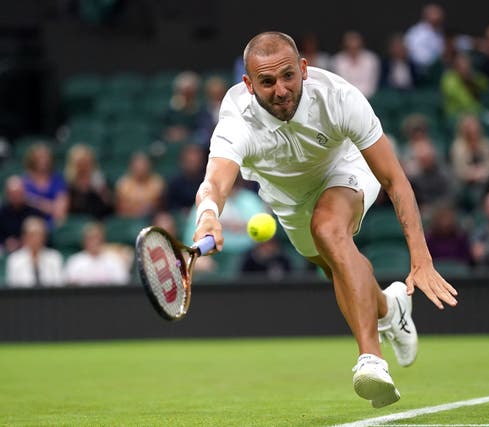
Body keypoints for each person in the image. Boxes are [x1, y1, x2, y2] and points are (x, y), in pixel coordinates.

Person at [192, 32, 457, 408]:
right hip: (287, 200)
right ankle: (390, 307)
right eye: (267, 82)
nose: (281, 90)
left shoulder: (339, 98)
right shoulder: (237, 118)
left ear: (303, 69)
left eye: (288, 76)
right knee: (338, 268)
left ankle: (371, 360)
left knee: (328, 230)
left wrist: (421, 256)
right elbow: (215, 183)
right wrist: (208, 216)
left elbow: (395, 179)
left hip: (344, 169)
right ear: (249, 84)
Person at [64, 222, 130, 286]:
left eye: (96, 238)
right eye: (90, 238)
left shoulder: (113, 260)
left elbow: (122, 284)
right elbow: (69, 285)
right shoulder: (75, 261)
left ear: (103, 239)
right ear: (83, 241)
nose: (94, 242)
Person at [6, 216, 64, 287]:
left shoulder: (54, 257)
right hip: (23, 297)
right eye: (32, 235)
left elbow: (59, 284)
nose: (36, 239)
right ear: (25, 237)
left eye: (40, 235)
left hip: (50, 297)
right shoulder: (14, 259)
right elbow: (12, 287)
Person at [21, 142, 69, 227]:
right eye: (39, 158)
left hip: (53, 225)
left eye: (46, 157)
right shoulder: (24, 182)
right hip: (29, 226)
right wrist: (50, 206)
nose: (43, 161)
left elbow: (60, 211)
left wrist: (34, 202)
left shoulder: (58, 180)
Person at [64, 144, 113, 219]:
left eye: (86, 162)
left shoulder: (100, 180)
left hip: (98, 219)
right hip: (75, 220)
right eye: (80, 162)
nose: (83, 165)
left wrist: (101, 189)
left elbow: (109, 204)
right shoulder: (68, 183)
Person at [0, 176, 44, 253]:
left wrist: (22, 242)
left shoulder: (34, 212)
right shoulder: (2, 212)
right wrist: (6, 242)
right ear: (7, 195)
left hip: (30, 249)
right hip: (5, 249)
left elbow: (41, 234)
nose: (16, 196)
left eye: (19, 193)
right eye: (13, 194)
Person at [440, 52, 489, 120]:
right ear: (456, 66)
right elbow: (464, 101)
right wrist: (477, 110)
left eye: (467, 66)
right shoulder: (449, 78)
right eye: (462, 66)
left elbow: (485, 85)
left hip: (473, 112)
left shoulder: (472, 76)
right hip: (455, 114)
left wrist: (473, 79)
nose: (465, 69)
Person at [114, 152, 165, 218]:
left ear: (149, 166)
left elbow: (158, 204)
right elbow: (120, 207)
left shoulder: (157, 182)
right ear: (131, 167)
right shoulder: (123, 183)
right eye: (137, 166)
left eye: (144, 165)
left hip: (152, 218)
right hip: (129, 219)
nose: (141, 168)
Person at [331, 30, 380, 99]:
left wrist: (361, 98)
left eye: (357, 48)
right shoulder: (337, 60)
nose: (353, 51)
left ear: (361, 46)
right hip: (345, 97)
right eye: (350, 48)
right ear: (345, 47)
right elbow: (341, 83)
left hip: (368, 97)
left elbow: (371, 84)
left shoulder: (371, 59)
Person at [404, 4, 446, 74]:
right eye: (434, 14)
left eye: (439, 15)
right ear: (426, 16)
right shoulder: (416, 32)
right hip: (419, 72)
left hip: (438, 70)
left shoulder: (440, 33)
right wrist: (434, 60)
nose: (437, 17)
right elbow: (415, 56)